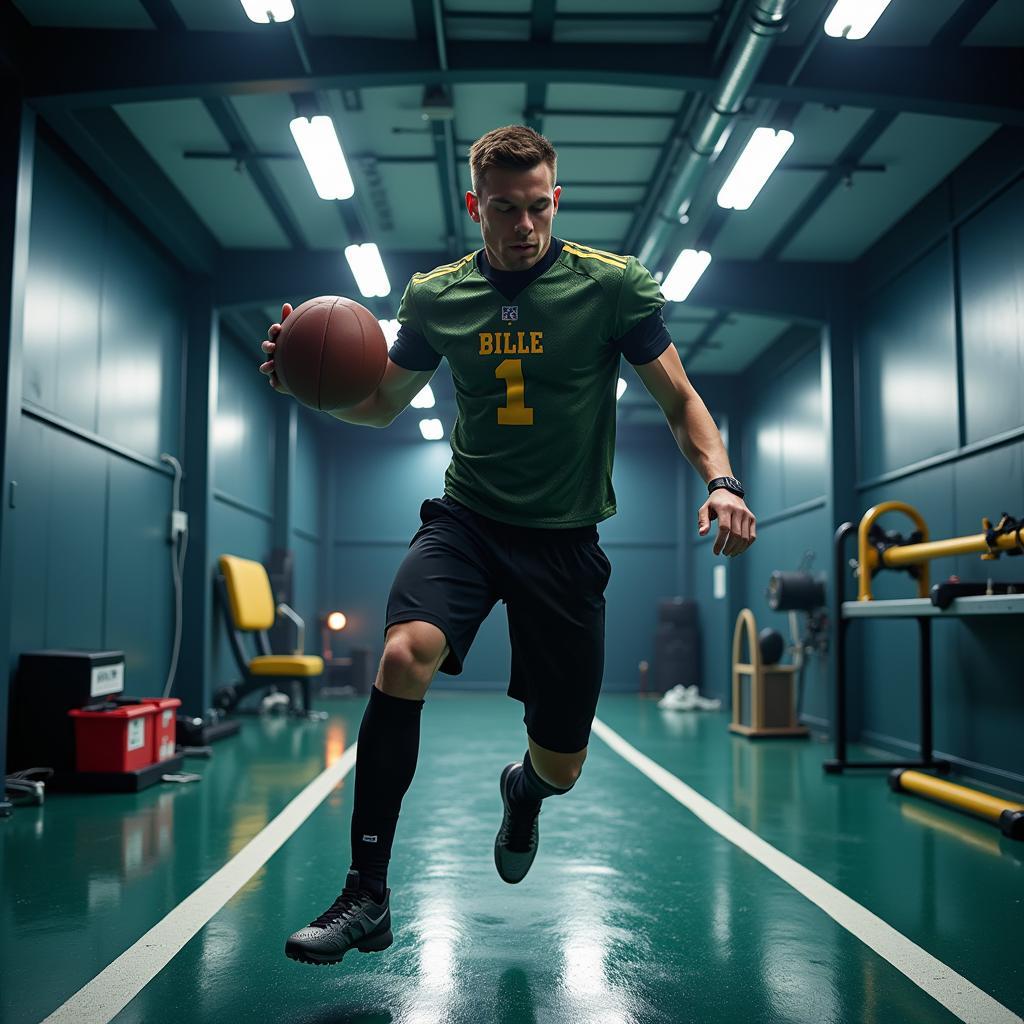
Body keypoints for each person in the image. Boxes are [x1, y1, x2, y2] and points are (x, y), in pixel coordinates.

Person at [259, 125, 756, 966]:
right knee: (402, 655)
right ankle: (366, 895)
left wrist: (722, 480)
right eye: (504, 209)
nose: (523, 225)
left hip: (565, 543)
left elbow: (681, 402)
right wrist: (311, 390)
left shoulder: (610, 288)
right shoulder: (436, 296)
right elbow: (382, 403)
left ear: (555, 199)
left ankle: (522, 792)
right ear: (474, 205)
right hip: (467, 521)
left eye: (538, 207)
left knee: (561, 766)